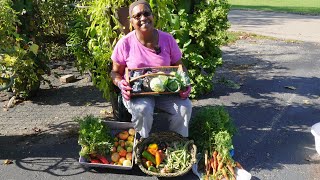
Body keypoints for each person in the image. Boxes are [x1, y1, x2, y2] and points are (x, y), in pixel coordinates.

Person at [111, 0, 192, 138]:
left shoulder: (167, 39)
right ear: (131, 21)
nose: (143, 18)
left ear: (152, 16)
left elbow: (180, 66)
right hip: (137, 93)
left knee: (184, 107)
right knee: (143, 109)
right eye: (137, 16)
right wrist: (120, 83)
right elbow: (114, 72)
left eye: (146, 13)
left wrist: (185, 83)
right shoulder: (125, 44)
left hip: (165, 91)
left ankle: (176, 143)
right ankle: (142, 144)